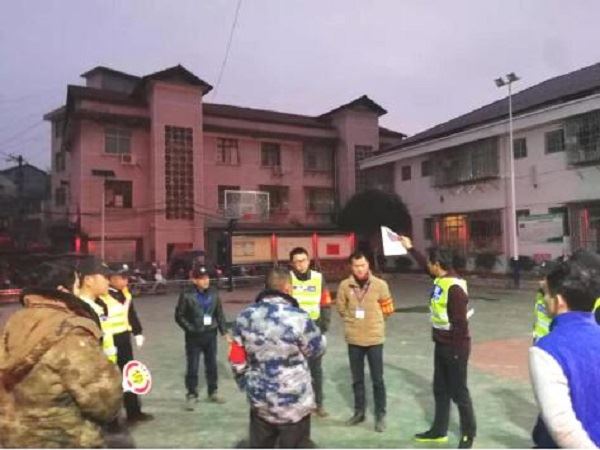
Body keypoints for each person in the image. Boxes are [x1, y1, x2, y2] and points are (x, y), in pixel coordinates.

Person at [0, 259, 122, 448]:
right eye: (76, 285)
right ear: (62, 290)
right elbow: (104, 402)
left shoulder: (12, 324)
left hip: (14, 438)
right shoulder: (71, 333)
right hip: (64, 438)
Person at [229, 267, 326, 448]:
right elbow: (317, 349)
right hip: (295, 402)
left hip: (261, 402)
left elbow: (236, 357)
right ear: (288, 288)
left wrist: (246, 383)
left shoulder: (245, 317)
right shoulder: (299, 318)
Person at [399, 236, 476, 448]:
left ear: (437, 264)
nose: (428, 266)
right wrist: (410, 248)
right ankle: (439, 430)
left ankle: (468, 434)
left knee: (459, 391)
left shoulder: (454, 288)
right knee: (440, 389)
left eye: (430, 263)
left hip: (455, 347)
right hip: (441, 344)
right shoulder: (441, 279)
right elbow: (424, 266)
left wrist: (456, 353)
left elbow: (460, 325)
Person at [529, 250, 600, 447]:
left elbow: (562, 427)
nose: (543, 298)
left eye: (547, 294)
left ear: (559, 301)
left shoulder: (546, 351)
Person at [336, 251, 395, 433]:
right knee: (357, 379)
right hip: (354, 339)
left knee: (378, 379)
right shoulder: (345, 286)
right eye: (356, 266)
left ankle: (380, 415)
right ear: (351, 267)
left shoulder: (380, 285)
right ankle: (359, 412)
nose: (360, 269)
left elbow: (388, 309)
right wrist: (353, 321)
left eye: (362, 265)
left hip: (374, 339)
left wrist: (375, 321)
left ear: (368, 265)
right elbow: (341, 308)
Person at [100, 263, 154, 425]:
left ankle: (133, 411)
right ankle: (112, 418)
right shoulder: (103, 296)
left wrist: (137, 332)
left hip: (124, 339)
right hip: (109, 341)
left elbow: (131, 314)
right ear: (111, 278)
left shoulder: (125, 293)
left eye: (126, 277)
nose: (125, 281)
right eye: (122, 277)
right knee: (111, 379)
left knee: (129, 374)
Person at [175, 265, 230, 409]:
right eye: (201, 278)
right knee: (192, 366)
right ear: (194, 280)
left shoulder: (214, 293)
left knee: (212, 364)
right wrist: (191, 329)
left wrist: (224, 332)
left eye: (207, 278)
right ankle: (191, 394)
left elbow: (219, 314)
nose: (206, 281)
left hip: (210, 334)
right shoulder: (186, 295)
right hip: (194, 337)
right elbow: (179, 316)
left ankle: (213, 391)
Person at [289, 247, 332, 418]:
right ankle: (298, 405)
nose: (300, 264)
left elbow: (325, 303)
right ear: (292, 263)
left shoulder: (318, 278)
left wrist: (323, 327)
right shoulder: (288, 279)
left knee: (315, 370)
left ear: (308, 261)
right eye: (297, 261)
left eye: (303, 260)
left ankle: (318, 404)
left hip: (314, 330)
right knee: (295, 370)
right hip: (294, 333)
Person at [77, 257, 118, 364]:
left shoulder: (98, 306)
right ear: (88, 280)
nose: (108, 282)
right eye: (105, 277)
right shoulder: (82, 311)